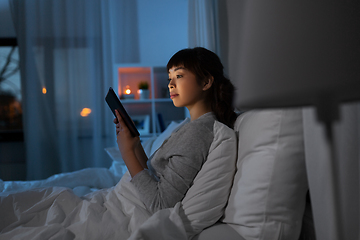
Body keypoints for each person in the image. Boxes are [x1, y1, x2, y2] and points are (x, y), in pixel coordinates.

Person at [114, 47, 237, 213]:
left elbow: (160, 204)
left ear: (206, 82)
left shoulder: (198, 133)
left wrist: (127, 152)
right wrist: (135, 146)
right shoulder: (191, 126)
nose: (170, 84)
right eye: (170, 78)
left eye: (179, 76)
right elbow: (152, 176)